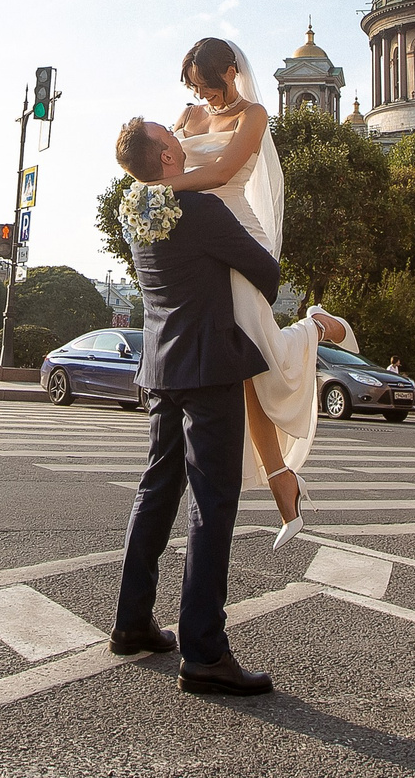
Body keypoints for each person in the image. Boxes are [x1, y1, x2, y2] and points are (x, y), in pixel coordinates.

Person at [108, 112, 285, 696]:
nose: (180, 138)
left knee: (156, 490)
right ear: (164, 158)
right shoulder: (199, 210)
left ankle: (132, 622)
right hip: (209, 368)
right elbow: (265, 269)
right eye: (171, 136)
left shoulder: (139, 218)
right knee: (213, 504)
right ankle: (204, 650)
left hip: (160, 367)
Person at [165, 37, 349, 547]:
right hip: (199, 242)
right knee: (245, 372)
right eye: (194, 89)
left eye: (208, 86)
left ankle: (315, 325)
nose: (204, 98)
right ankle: (281, 483)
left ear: (230, 72)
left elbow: (223, 173)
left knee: (257, 359)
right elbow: (170, 164)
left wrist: (160, 194)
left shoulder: (255, 115)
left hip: (240, 238)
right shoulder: (189, 115)